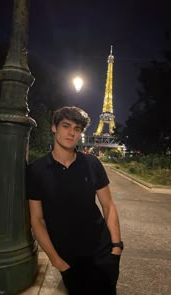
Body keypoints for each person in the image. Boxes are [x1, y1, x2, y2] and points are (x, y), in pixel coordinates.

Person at [26, 106, 123, 295]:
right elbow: (37, 220)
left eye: (77, 129)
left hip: (102, 253)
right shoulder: (37, 170)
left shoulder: (92, 164)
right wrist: (57, 261)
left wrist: (116, 247)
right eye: (66, 126)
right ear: (54, 128)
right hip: (68, 259)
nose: (71, 133)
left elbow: (108, 205)